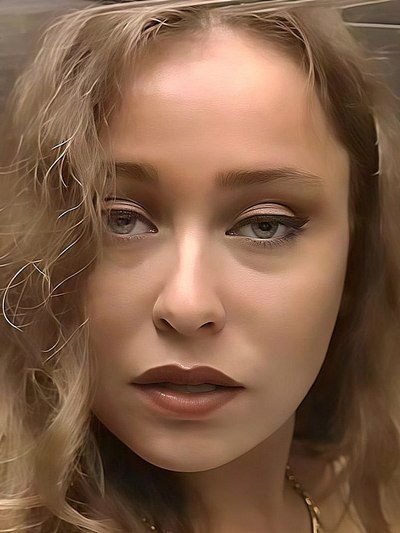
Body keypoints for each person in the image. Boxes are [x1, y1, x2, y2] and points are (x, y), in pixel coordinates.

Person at [1, 0, 400, 531]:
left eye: (266, 225)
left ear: (357, 259)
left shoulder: (378, 502)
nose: (186, 307)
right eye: (120, 219)